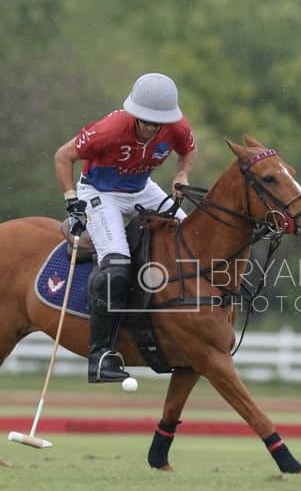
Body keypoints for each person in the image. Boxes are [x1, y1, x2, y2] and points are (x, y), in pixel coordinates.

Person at [53, 72, 198, 383]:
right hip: (100, 192)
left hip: (141, 189)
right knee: (117, 263)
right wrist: (71, 201)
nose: (150, 128)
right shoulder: (109, 130)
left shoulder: (177, 127)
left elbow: (188, 151)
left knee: (192, 242)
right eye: (145, 120)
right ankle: (101, 355)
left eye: (156, 122)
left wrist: (181, 175)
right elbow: (63, 156)